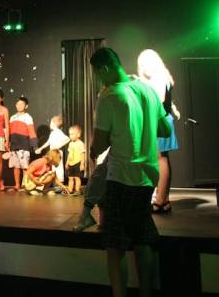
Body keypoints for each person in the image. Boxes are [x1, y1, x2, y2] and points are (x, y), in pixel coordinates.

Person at [90, 47, 171, 297]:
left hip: (121, 177)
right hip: (147, 177)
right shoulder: (147, 90)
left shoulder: (109, 96)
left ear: (104, 68)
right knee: (142, 240)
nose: (98, 79)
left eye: (97, 74)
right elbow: (165, 130)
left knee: (115, 246)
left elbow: (99, 145)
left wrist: (94, 150)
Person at [137, 49, 181, 213]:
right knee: (160, 159)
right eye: (141, 65)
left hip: (158, 121)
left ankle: (161, 199)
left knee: (160, 159)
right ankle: (163, 199)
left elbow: (160, 99)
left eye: (145, 64)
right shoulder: (159, 77)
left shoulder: (159, 76)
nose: (143, 68)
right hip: (157, 121)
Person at [8, 96, 37, 191]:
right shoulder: (12, 117)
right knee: (15, 166)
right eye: (18, 104)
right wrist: (7, 142)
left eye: (22, 104)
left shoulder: (28, 117)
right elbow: (9, 131)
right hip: (14, 145)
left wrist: (35, 145)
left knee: (24, 166)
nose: (19, 106)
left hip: (24, 146)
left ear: (26, 106)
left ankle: (24, 185)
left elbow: (31, 131)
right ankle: (17, 185)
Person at [35, 115, 69, 183]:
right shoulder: (53, 133)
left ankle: (60, 181)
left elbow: (67, 139)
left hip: (57, 153)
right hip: (52, 153)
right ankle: (56, 182)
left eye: (51, 122)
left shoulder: (58, 132)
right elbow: (48, 142)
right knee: (54, 168)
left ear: (54, 123)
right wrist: (40, 149)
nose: (50, 124)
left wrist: (58, 146)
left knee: (58, 167)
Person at [65, 124, 86, 195]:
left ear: (78, 135)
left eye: (72, 134)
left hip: (77, 162)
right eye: (70, 134)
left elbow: (82, 154)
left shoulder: (81, 144)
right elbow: (69, 154)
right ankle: (70, 190)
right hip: (71, 163)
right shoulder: (70, 144)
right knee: (70, 178)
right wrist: (67, 162)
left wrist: (82, 164)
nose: (70, 136)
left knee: (77, 177)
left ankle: (77, 190)